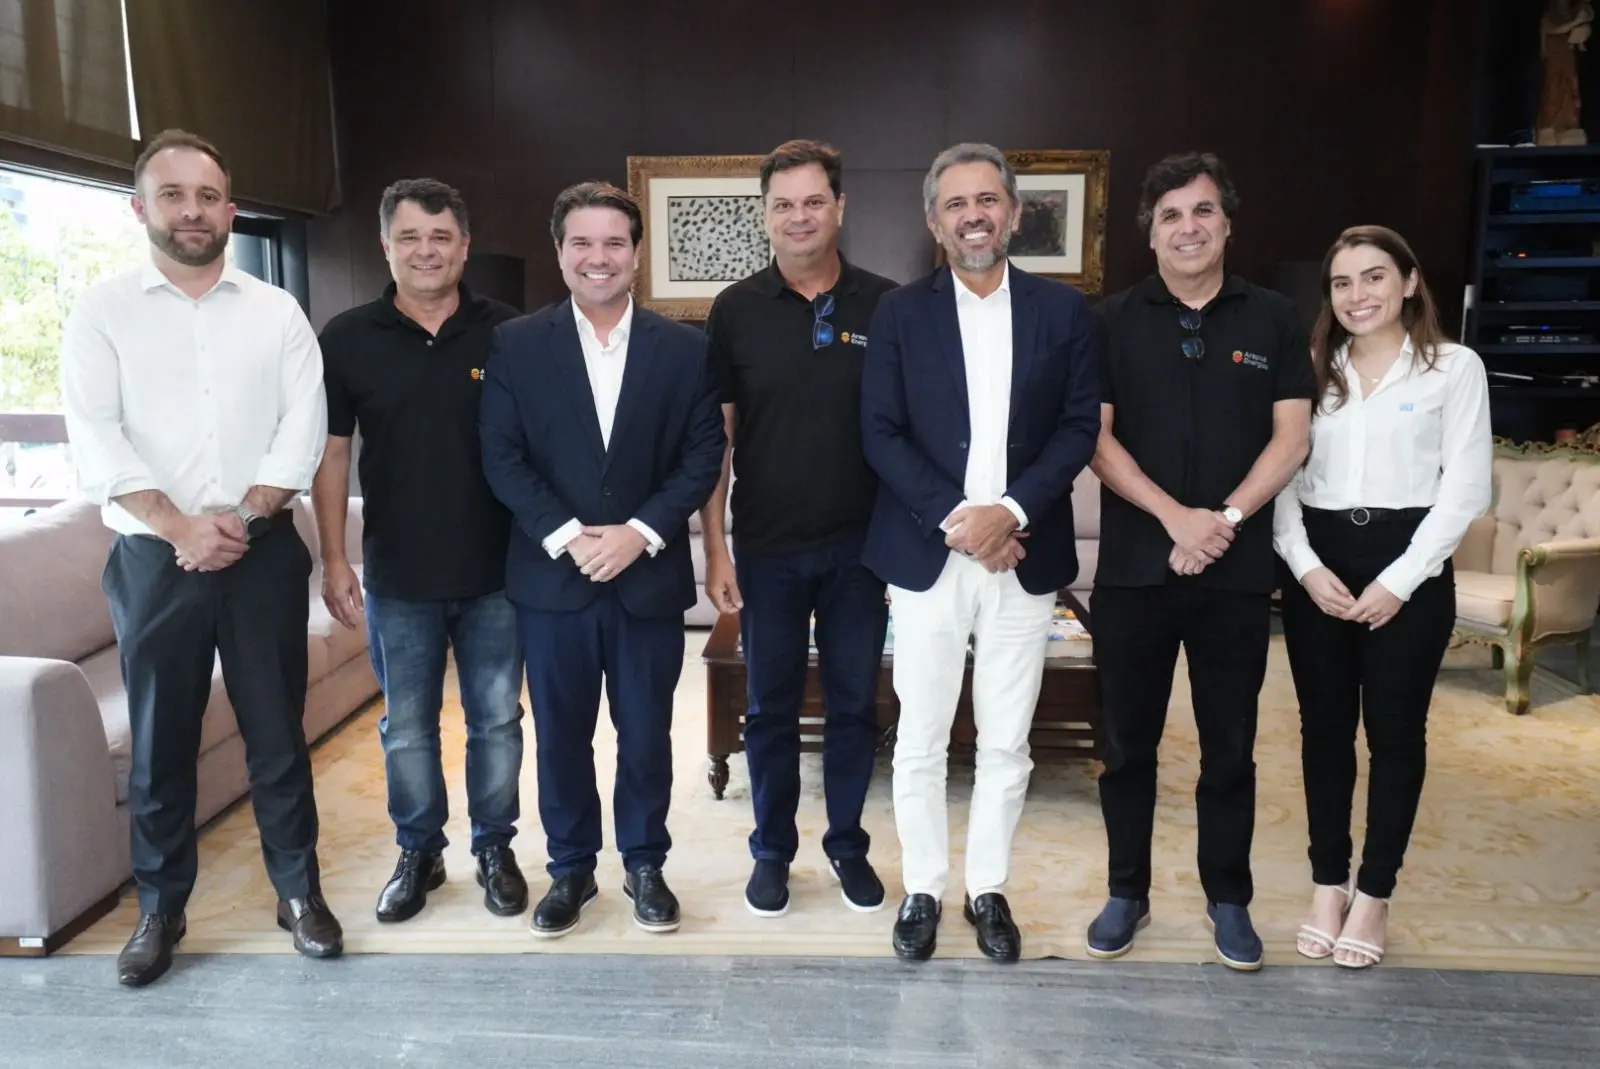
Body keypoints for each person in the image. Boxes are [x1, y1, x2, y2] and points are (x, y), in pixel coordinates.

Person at [60, 129, 341, 986]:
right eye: (174, 195)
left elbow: (304, 426)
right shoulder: (102, 312)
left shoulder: (276, 311)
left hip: (262, 553)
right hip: (154, 560)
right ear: (140, 207)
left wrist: (241, 517)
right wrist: (181, 525)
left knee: (278, 734)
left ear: (231, 208)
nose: (193, 210)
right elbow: (96, 436)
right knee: (160, 742)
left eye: (209, 196)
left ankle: (298, 892)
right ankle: (160, 908)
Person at [861, 143, 1100, 962]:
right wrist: (962, 521)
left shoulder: (1063, 312)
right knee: (921, 735)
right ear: (934, 221)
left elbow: (1078, 426)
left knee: (1006, 738)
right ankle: (924, 887)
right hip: (929, 552)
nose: (974, 215)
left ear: (1014, 212)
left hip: (1024, 553)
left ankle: (988, 887)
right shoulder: (899, 313)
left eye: (988, 199)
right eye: (956, 203)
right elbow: (880, 431)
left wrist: (1011, 513)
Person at [1087, 152, 1314, 971]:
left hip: (1235, 572)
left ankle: (1229, 896)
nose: (1189, 227)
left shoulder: (1274, 317)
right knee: (1126, 745)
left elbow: (1293, 437)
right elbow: (1095, 440)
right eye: (1171, 215)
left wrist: (1224, 520)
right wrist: (1175, 518)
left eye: (1203, 211)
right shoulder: (1109, 320)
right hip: (1134, 573)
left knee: (1230, 746)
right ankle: (1127, 890)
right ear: (1151, 233)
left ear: (1228, 224)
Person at [479, 182, 724, 938]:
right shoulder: (517, 343)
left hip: (647, 579)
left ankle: (645, 863)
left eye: (614, 242)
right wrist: (571, 535)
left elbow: (702, 455)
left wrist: (640, 532)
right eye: (581, 243)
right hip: (553, 580)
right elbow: (502, 455)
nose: (598, 257)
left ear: (636, 253)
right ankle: (571, 868)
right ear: (560, 253)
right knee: (561, 737)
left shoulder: (685, 348)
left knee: (646, 735)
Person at [1274, 225, 1492, 969]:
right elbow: (1281, 472)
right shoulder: (1310, 369)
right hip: (1319, 565)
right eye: (1342, 283)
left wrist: (1400, 580)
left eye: (1373, 277)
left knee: (1395, 737)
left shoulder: (1453, 368)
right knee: (1324, 733)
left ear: (1408, 282)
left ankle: (1374, 894)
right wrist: (1304, 566)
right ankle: (1327, 885)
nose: (1357, 295)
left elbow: (1465, 489)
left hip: (1413, 564)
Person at [312, 178, 527, 925]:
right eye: (410, 237)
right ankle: (419, 851)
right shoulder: (346, 337)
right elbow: (332, 454)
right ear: (386, 246)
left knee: (496, 721)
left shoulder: (510, 333)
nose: (426, 251)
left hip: (498, 572)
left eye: (441, 237)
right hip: (398, 574)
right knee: (406, 728)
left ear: (464, 246)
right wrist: (334, 558)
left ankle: (494, 847)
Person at [699, 140, 899, 918]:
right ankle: (771, 850)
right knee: (769, 709)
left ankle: (847, 844)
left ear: (840, 208)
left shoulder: (889, 305)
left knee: (854, 706)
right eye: (783, 204)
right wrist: (716, 547)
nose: (799, 216)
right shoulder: (735, 310)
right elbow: (717, 438)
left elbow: (908, 430)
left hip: (862, 551)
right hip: (768, 549)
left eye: (814, 201)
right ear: (764, 215)